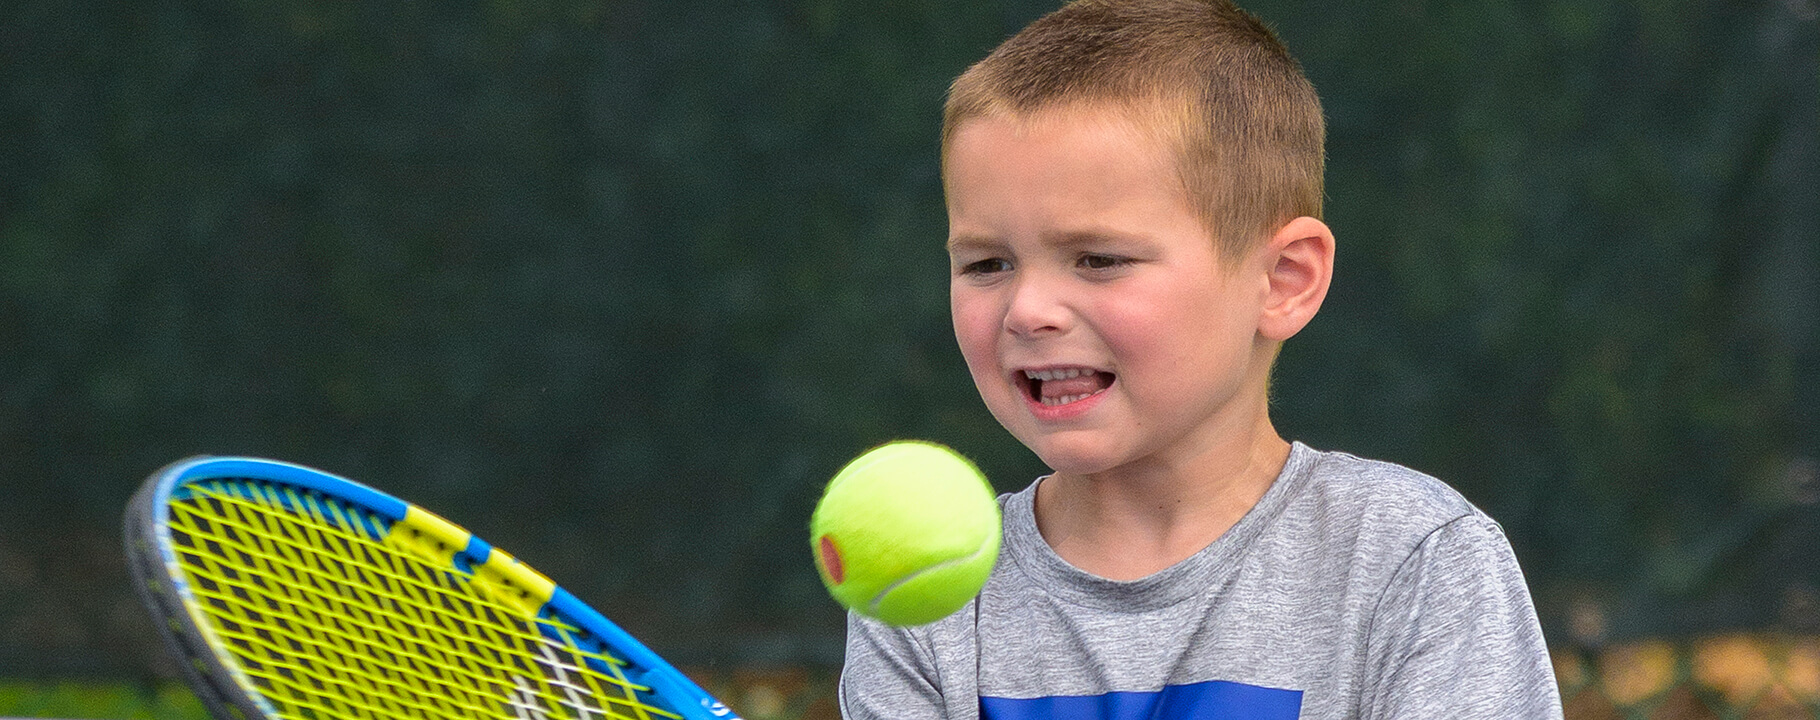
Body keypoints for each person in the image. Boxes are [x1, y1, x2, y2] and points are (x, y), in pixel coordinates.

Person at [837, 0, 1563, 717]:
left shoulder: (1413, 559)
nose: (1028, 310)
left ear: (1283, 281)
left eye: (1099, 259)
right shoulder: (916, 596)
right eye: (988, 264)